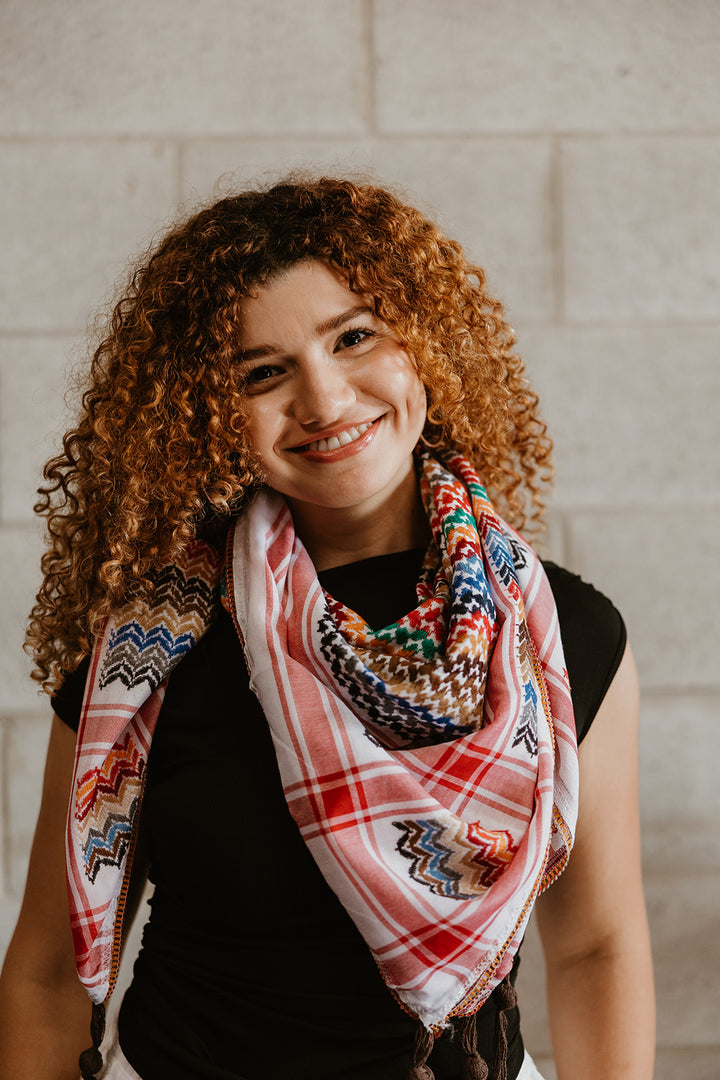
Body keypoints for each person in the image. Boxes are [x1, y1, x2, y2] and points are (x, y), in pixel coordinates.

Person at [0, 177, 655, 1080]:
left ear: (423, 342)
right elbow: (46, 973)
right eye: (262, 372)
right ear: (208, 412)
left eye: (354, 337)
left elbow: (595, 949)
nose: (324, 399)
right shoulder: (148, 648)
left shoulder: (561, 633)